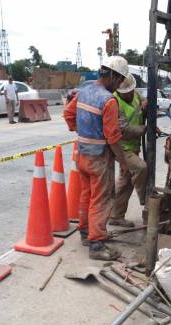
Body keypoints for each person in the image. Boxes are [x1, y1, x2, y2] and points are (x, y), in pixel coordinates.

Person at [63, 56, 129, 261]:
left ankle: (85, 232)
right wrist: (123, 161)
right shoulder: (109, 100)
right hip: (99, 160)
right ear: (113, 75)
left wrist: (83, 131)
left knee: (87, 195)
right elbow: (113, 136)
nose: (119, 86)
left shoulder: (84, 91)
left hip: (82, 156)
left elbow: (68, 114)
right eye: (120, 81)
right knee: (101, 200)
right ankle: (97, 244)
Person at [108, 73, 147, 227]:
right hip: (122, 148)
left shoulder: (135, 93)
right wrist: (144, 129)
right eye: (126, 93)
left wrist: (145, 103)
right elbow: (124, 130)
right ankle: (146, 198)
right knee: (141, 168)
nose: (130, 94)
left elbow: (142, 99)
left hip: (133, 147)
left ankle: (116, 216)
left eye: (131, 91)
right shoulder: (114, 101)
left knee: (126, 183)